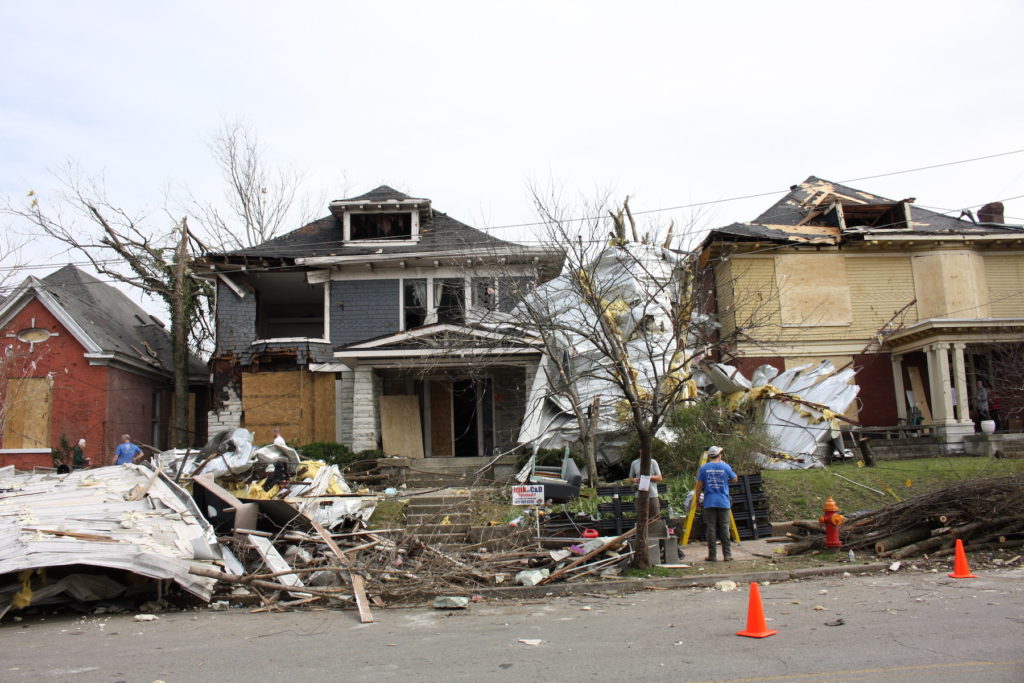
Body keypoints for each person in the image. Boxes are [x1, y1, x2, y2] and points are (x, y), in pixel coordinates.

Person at [694, 445, 738, 562]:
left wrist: (697, 500)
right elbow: (734, 479)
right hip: (723, 501)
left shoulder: (703, 468)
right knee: (724, 528)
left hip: (709, 501)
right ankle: (727, 555)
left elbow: (699, 486)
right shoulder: (725, 466)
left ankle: (712, 555)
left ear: (710, 456)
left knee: (711, 529)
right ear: (719, 455)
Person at [628, 453, 665, 533]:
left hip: (652, 494)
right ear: (640, 451)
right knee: (641, 516)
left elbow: (660, 477)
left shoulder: (653, 462)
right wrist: (636, 480)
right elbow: (630, 478)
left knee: (655, 516)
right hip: (639, 494)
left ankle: (656, 534)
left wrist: (648, 478)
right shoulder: (634, 463)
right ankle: (642, 535)